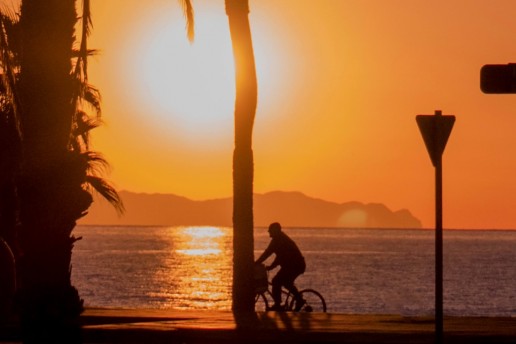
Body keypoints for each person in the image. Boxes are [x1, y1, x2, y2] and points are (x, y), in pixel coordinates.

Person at [255, 222, 306, 311]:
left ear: (275, 231)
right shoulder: (278, 239)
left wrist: (258, 263)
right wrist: (269, 266)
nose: (269, 232)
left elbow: (270, 254)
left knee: (276, 281)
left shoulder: (279, 240)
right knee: (286, 282)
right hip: (291, 265)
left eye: (270, 230)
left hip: (295, 265)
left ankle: (278, 304)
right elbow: (274, 255)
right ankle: (298, 299)